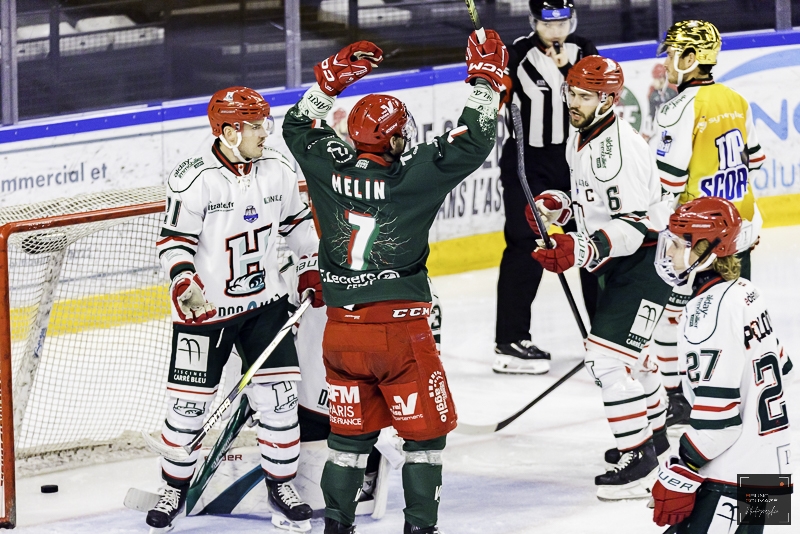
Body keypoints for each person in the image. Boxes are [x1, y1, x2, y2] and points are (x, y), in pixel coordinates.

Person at [282, 30, 507, 534]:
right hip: (400, 335)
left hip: (339, 335)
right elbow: (474, 140)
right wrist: (484, 82)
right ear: (395, 137)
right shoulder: (411, 177)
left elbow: (296, 125)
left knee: (347, 441)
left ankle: (337, 527)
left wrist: (330, 79)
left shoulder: (325, 164)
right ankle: (420, 529)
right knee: (423, 442)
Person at [149, 86, 323, 532]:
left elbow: (299, 226)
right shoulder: (193, 177)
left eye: (265, 122)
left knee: (281, 402)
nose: (265, 132)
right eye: (254, 125)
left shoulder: (279, 169)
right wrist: (184, 280)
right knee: (187, 408)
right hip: (205, 313)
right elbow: (174, 241)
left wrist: (308, 268)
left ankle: (281, 487)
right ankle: (173, 487)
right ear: (228, 132)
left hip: (266, 305)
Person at [526, 56, 673, 500]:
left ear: (608, 99)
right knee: (632, 355)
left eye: (584, 96)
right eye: (571, 92)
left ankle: (639, 459)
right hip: (624, 266)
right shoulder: (585, 137)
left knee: (606, 360)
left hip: (643, 265)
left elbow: (634, 223)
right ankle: (657, 435)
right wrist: (561, 208)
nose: (573, 102)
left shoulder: (620, 151)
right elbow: (595, 203)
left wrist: (581, 248)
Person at [651, 196, 792, 533]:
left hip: (728, 475)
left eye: (678, 243)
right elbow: (784, 370)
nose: (668, 252)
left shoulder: (706, 312)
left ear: (705, 249)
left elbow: (720, 420)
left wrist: (681, 465)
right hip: (769, 469)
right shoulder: (746, 291)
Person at [651, 20, 766, 430]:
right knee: (735, 316)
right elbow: (754, 161)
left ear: (691, 58)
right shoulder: (735, 98)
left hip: (696, 239)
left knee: (671, 317)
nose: (666, 61)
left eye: (672, 53)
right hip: (739, 228)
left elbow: (666, 183)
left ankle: (678, 398)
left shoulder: (678, 109)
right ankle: (746, 396)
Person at [494, 0, 599, 375]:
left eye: (562, 23)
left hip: (575, 160)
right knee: (526, 244)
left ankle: (605, 340)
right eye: (547, 24)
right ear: (533, 22)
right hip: (528, 162)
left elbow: (595, 96)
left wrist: (567, 69)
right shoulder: (517, 54)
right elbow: (495, 97)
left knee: (592, 244)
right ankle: (510, 340)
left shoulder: (584, 50)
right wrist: (487, 74)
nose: (556, 32)